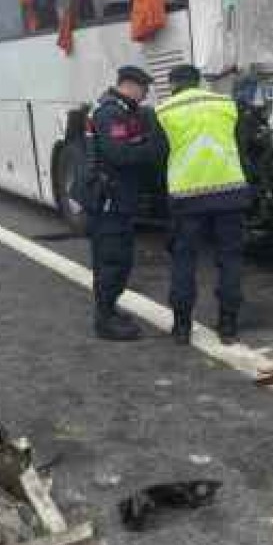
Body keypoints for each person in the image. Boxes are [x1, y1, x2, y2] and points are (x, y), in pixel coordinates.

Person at [156, 64, 251, 345]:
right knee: (230, 258)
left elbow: (158, 155)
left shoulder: (164, 111)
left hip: (187, 197)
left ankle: (182, 326)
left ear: (173, 84)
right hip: (230, 191)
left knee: (184, 259)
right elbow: (242, 145)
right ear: (198, 82)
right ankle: (228, 324)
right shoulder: (226, 105)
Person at [84, 65, 164, 341]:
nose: (144, 96)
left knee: (121, 258)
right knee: (112, 260)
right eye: (143, 90)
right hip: (109, 200)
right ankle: (105, 320)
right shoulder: (110, 113)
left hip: (119, 198)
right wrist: (152, 147)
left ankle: (110, 309)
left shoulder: (122, 111)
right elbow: (119, 154)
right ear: (129, 85)